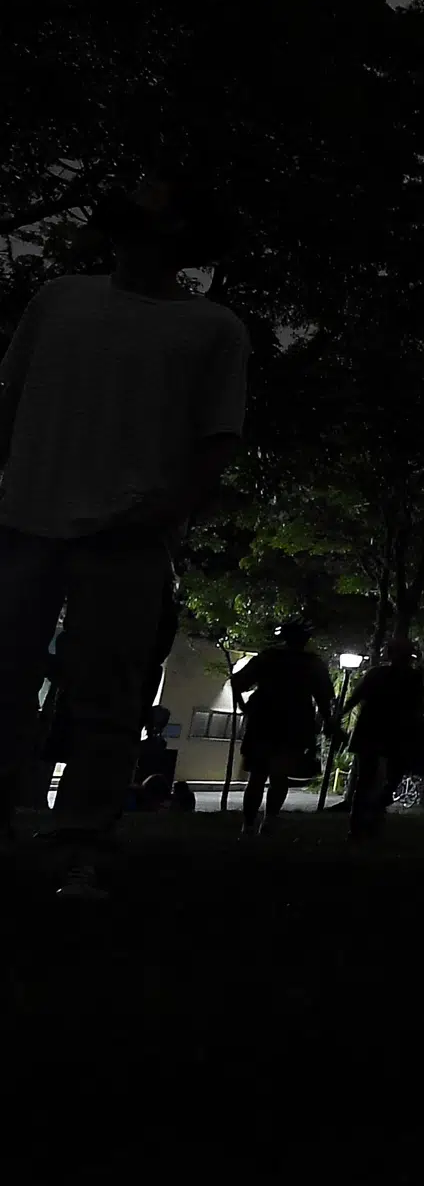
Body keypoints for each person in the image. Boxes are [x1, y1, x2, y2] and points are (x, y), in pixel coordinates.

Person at [0, 176, 248, 897]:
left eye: (155, 197)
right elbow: (10, 397)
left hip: (127, 534)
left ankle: (82, 843)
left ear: (179, 232)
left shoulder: (213, 329)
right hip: (25, 518)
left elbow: (217, 439)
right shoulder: (60, 299)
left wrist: (165, 512)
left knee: (106, 697)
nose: (133, 201)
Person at [232, 620, 337, 839]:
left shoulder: (269, 657)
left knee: (260, 776)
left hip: (266, 720)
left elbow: (238, 682)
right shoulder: (310, 663)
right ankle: (265, 821)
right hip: (293, 723)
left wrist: (245, 708)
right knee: (277, 776)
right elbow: (324, 697)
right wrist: (327, 722)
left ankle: (251, 824)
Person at [344, 637, 424, 841]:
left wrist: (339, 715)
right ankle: (367, 820)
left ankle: (361, 824)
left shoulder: (380, 674)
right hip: (393, 731)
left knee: (369, 780)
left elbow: (356, 696)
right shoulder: (410, 677)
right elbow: (418, 706)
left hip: (378, 729)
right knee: (383, 778)